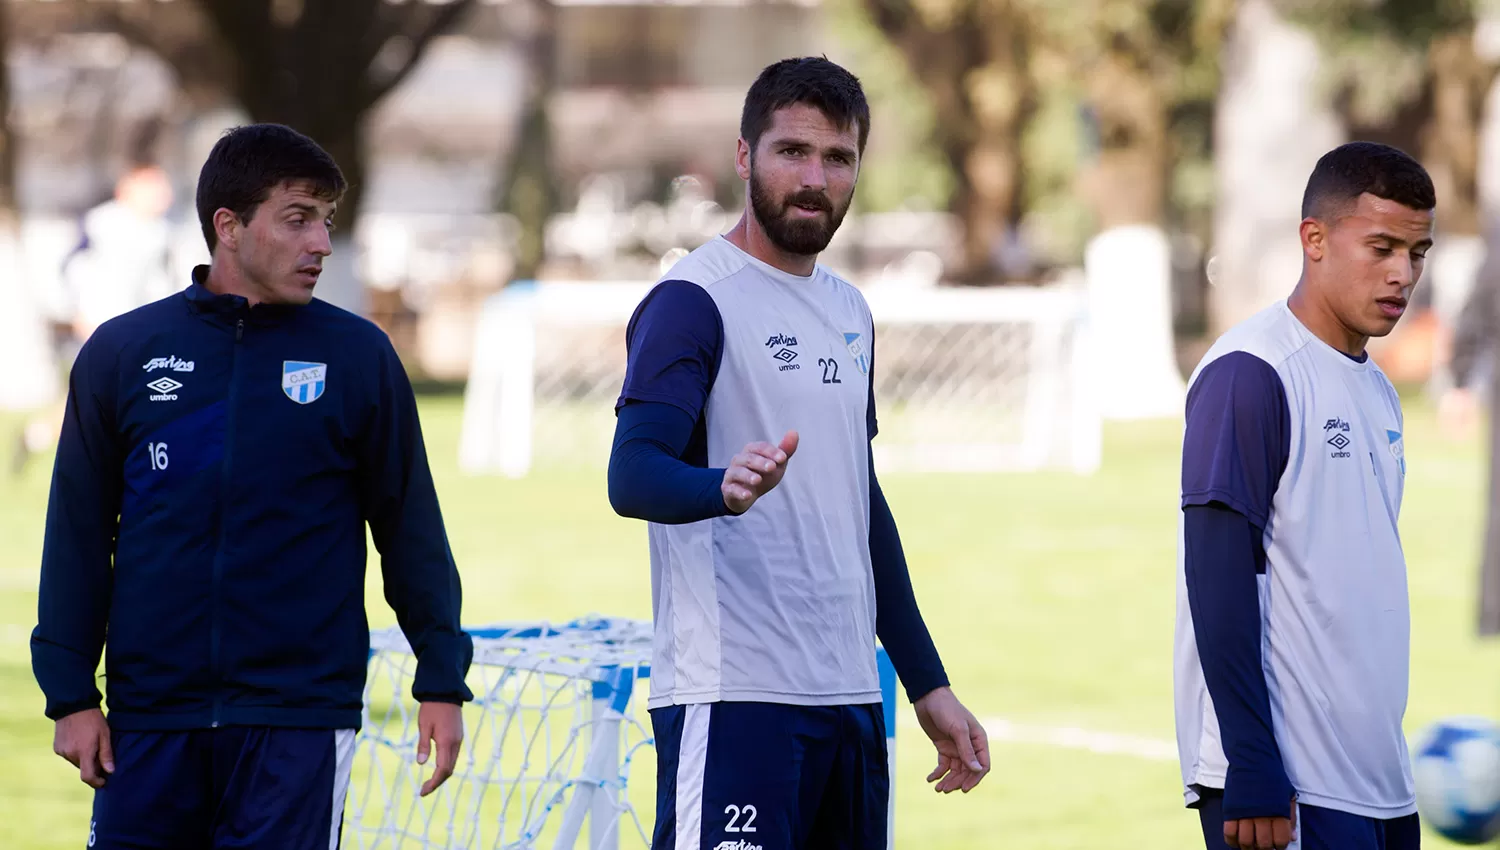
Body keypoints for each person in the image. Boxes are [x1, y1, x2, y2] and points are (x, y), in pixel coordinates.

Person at [30, 123, 473, 849]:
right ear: (227, 227)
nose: (321, 243)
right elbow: (77, 535)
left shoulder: (359, 356)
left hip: (298, 719)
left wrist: (441, 679)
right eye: (298, 219)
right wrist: (70, 695)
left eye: (326, 221)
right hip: (150, 717)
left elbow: (409, 527)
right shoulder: (122, 352)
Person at [606, 56, 990, 850]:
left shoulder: (851, 310)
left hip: (851, 700)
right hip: (735, 697)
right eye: (792, 152)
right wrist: (723, 487)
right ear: (745, 157)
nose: (814, 178)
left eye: (837, 158)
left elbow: (862, 507)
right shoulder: (693, 301)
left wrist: (927, 684)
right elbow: (631, 473)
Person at [1174, 141, 1435, 850]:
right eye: (1380, 246)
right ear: (1313, 239)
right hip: (1285, 787)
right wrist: (1253, 762)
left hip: (1378, 778)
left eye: (1416, 253)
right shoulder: (1251, 373)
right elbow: (1217, 573)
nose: (1401, 273)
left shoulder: (1377, 388)